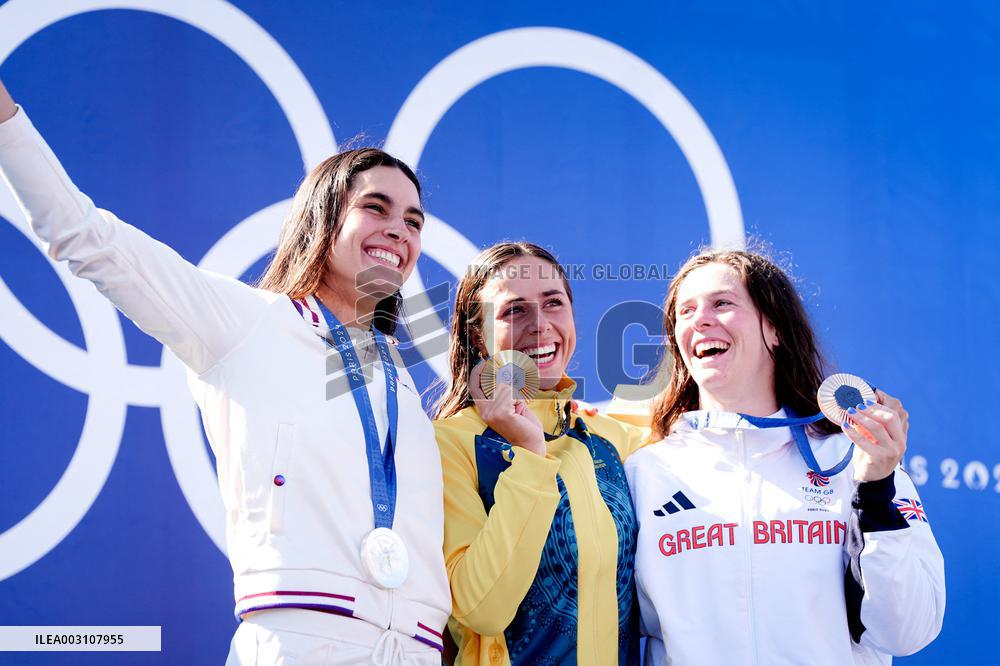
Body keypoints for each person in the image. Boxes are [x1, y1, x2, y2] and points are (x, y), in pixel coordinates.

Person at [0, 81, 449, 665]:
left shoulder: (401, 379)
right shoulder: (246, 325)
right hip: (302, 644)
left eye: (414, 221)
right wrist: (6, 121)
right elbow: (84, 236)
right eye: (376, 208)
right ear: (324, 215)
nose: (400, 230)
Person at [624, 248, 945, 665]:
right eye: (685, 312)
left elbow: (908, 631)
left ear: (775, 327)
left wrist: (878, 490)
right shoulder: (645, 472)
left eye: (722, 303)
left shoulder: (855, 459)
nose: (700, 319)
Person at [432, 241, 647, 665]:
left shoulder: (618, 439)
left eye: (554, 303)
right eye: (514, 311)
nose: (540, 324)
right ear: (478, 334)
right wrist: (530, 453)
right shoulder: (449, 443)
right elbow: (482, 608)